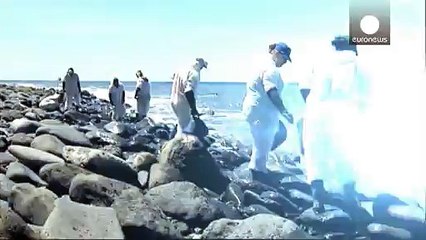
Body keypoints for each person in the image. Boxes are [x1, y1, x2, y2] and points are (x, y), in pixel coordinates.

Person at [303, 35, 367, 213]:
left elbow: (304, 88)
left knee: (316, 155)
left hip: (315, 113)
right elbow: (364, 93)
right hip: (341, 113)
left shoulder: (321, 61)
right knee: (345, 155)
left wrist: (311, 110)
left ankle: (318, 199)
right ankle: (350, 199)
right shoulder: (357, 63)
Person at [242, 42, 294, 183]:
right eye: (284, 59)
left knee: (269, 138)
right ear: (277, 54)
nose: (284, 63)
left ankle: (256, 166)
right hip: (261, 112)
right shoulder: (271, 70)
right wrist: (284, 111)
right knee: (263, 143)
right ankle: (258, 175)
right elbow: (271, 90)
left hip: (254, 109)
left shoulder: (260, 65)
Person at [170, 58, 208, 137]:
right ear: (199, 65)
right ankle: (179, 146)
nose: (201, 69)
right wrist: (193, 109)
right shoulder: (194, 74)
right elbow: (188, 91)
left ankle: (170, 142)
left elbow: (173, 77)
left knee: (180, 124)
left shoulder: (182, 70)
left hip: (173, 101)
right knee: (185, 129)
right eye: (202, 67)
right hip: (183, 102)